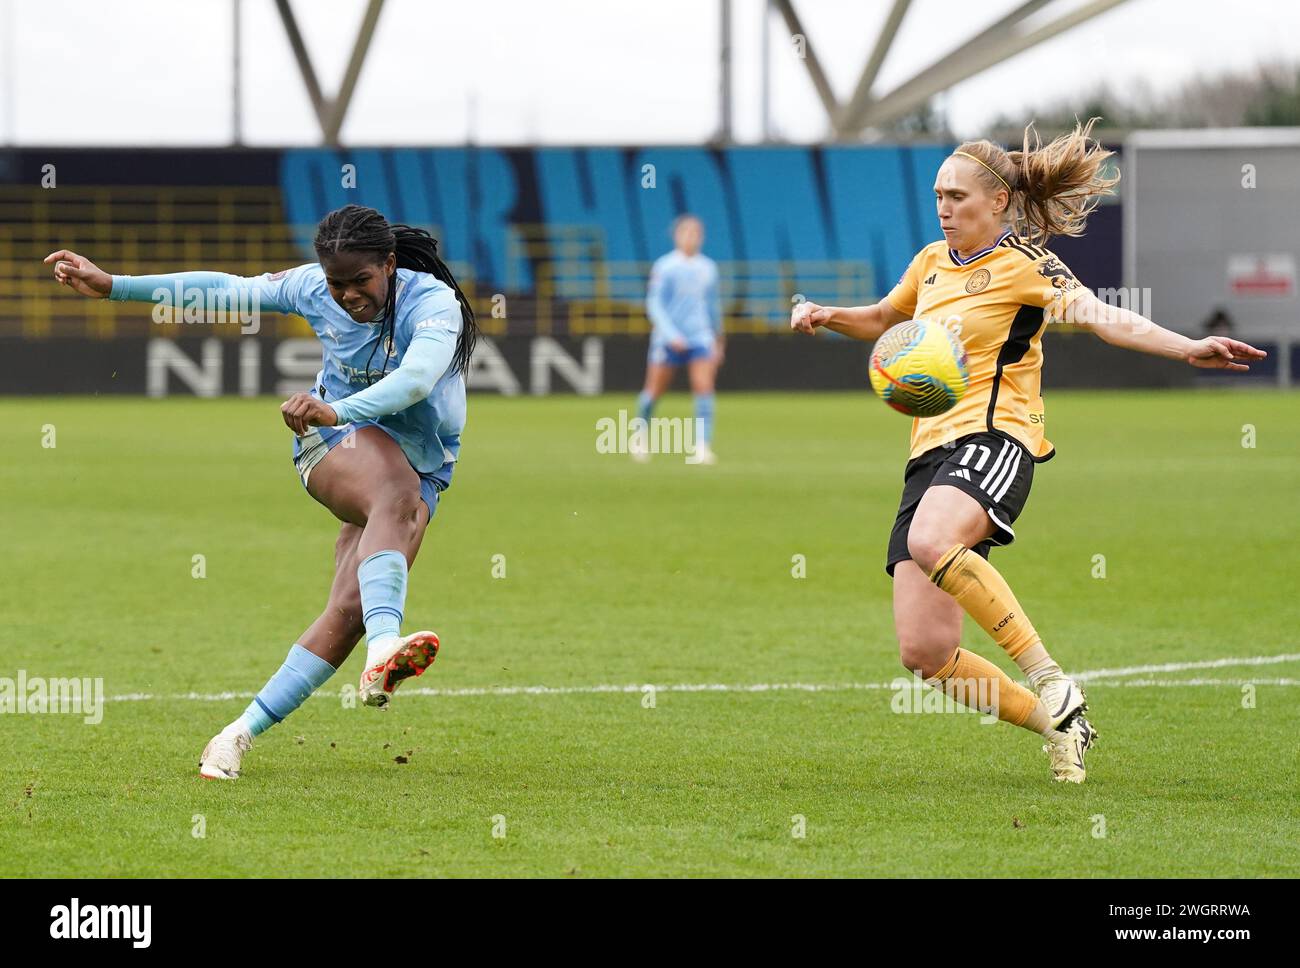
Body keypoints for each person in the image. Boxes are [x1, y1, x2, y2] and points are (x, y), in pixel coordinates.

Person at [791, 119, 1265, 782]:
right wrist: (826, 314)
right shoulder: (930, 262)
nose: (945, 208)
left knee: (932, 540)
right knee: (926, 652)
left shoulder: (1026, 265)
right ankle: (1061, 724)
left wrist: (1186, 345)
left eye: (957, 196)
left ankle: (1049, 678)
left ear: (1000, 203)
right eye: (938, 197)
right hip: (929, 459)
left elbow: (1104, 316)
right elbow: (882, 319)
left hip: (996, 440)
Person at [45, 204, 479, 780]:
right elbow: (227, 291)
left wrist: (338, 404)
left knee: (349, 609)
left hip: (423, 466)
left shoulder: (432, 303)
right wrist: (116, 286)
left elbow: (418, 378)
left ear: (390, 265)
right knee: (393, 499)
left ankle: (235, 736)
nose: (347, 295)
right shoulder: (310, 289)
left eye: (361, 282)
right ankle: (385, 647)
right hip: (333, 438)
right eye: (336, 284)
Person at [634, 214, 723, 464]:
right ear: (677, 236)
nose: (691, 238)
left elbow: (713, 306)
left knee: (704, 388)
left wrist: (718, 338)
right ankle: (640, 434)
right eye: (686, 233)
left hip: (699, 337)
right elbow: (654, 303)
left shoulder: (708, 267)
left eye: (696, 233)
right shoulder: (665, 266)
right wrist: (671, 334)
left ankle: (702, 446)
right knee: (654, 391)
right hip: (668, 339)